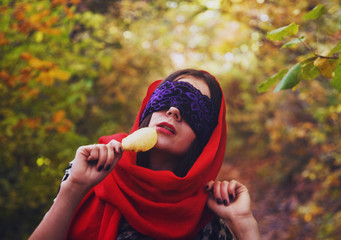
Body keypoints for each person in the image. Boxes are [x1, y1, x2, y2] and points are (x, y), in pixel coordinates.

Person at [30, 69, 260, 240]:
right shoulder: (91, 169)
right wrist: (73, 189)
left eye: (194, 107)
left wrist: (244, 224)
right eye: (167, 97)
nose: (174, 110)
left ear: (206, 139)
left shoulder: (208, 218)